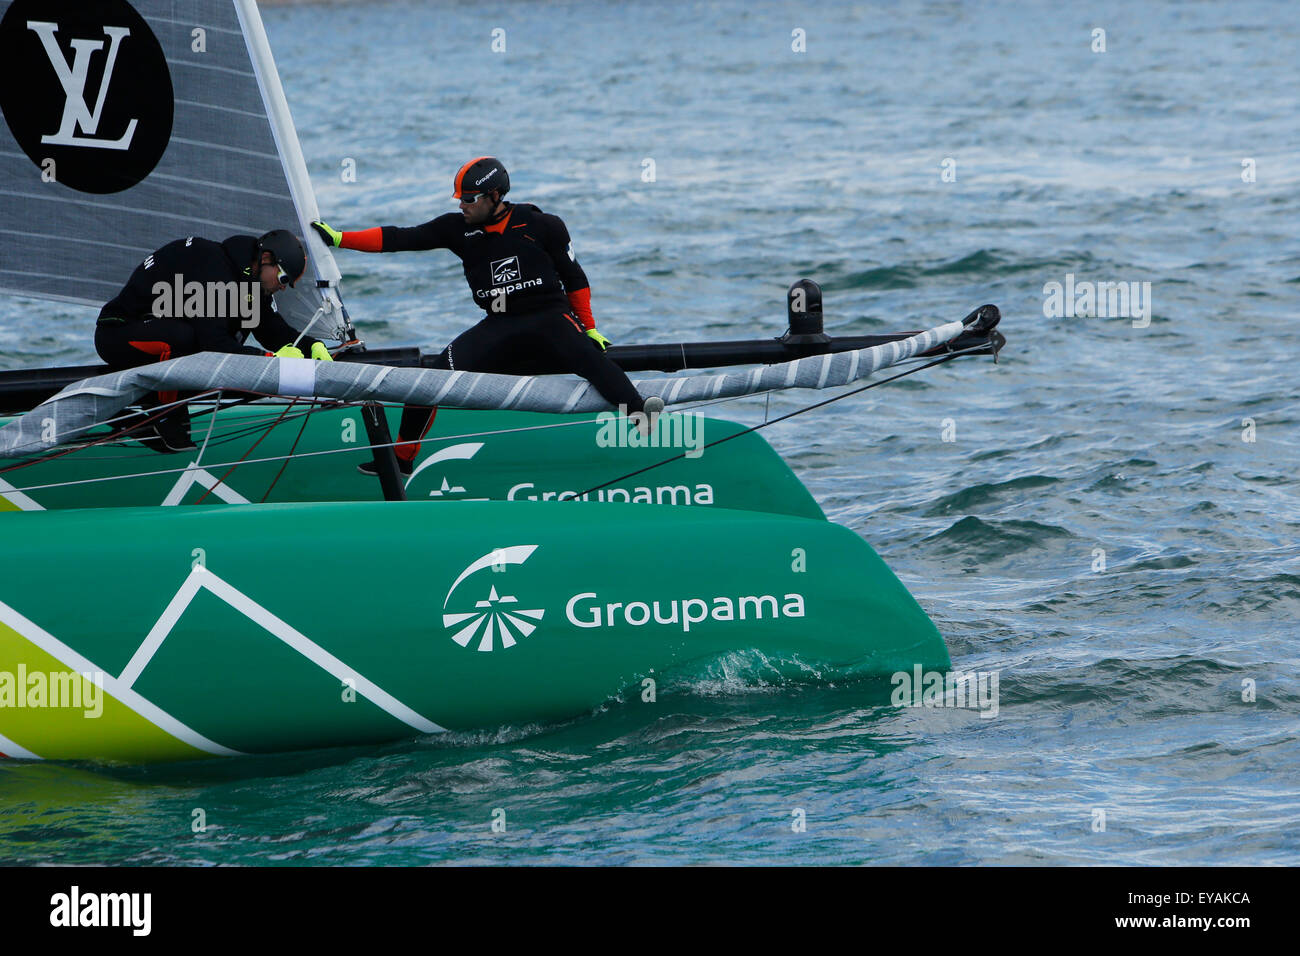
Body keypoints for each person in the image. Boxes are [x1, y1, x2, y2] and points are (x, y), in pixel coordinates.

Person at [312, 157, 659, 476]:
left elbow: (575, 278)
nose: (461, 205)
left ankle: (646, 420)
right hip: (499, 323)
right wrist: (341, 238)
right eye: (459, 198)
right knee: (429, 380)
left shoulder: (542, 225)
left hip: (549, 317)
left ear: (494, 195)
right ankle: (402, 459)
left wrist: (591, 328)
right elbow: (401, 237)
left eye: (469, 198)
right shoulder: (457, 229)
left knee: (594, 361)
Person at [95, 230, 333, 451]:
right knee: (185, 338)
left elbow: (271, 331)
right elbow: (215, 345)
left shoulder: (246, 281)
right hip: (117, 333)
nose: (282, 289)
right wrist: (270, 360)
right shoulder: (213, 267)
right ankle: (159, 414)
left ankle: (166, 412)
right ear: (266, 258)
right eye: (283, 279)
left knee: (204, 340)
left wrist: (312, 346)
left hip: (158, 338)